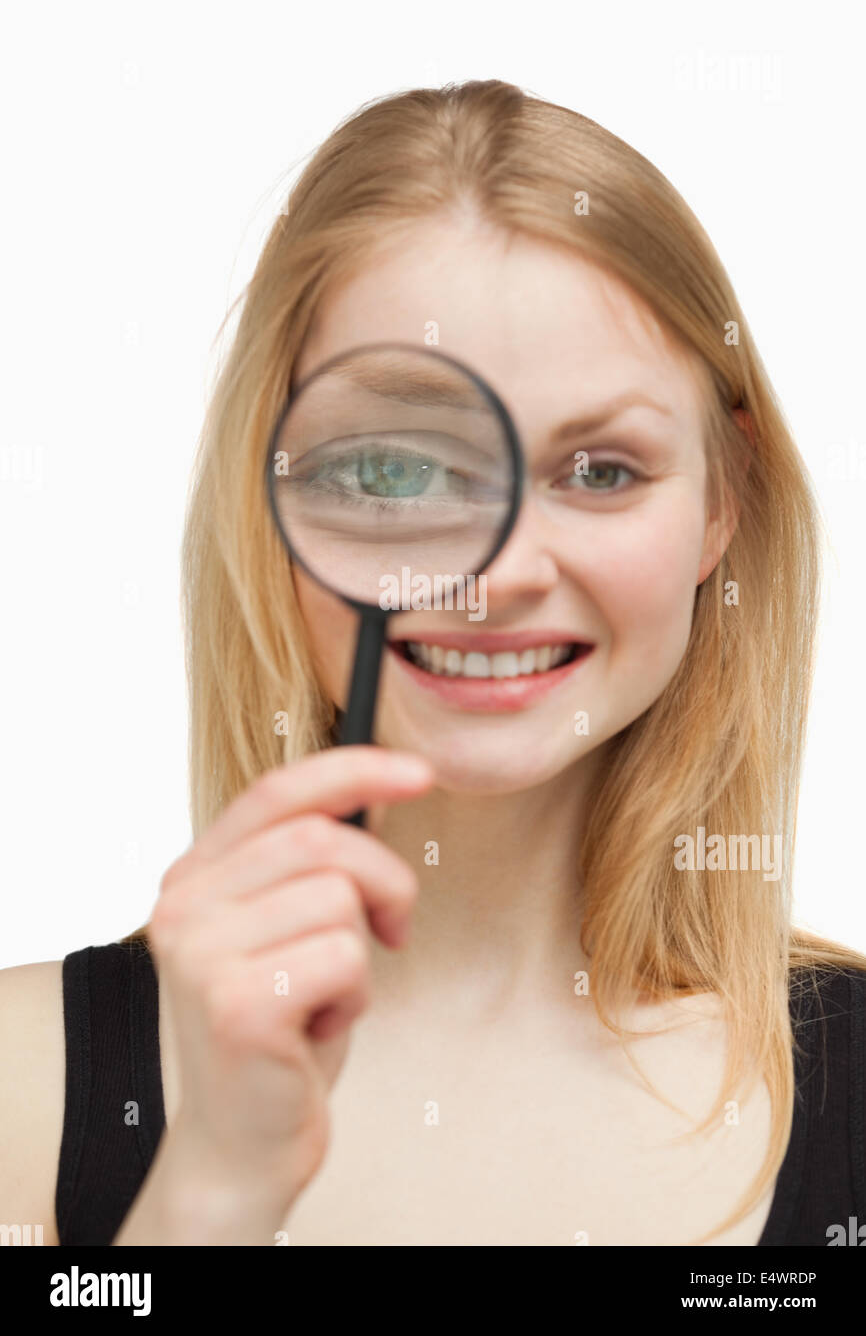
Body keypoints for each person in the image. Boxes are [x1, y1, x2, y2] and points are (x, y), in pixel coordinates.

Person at [2, 79, 864, 1248]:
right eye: (396, 472)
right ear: (272, 505)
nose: (497, 568)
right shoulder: (24, 1092)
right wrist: (209, 1188)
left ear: (725, 504)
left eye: (600, 470)